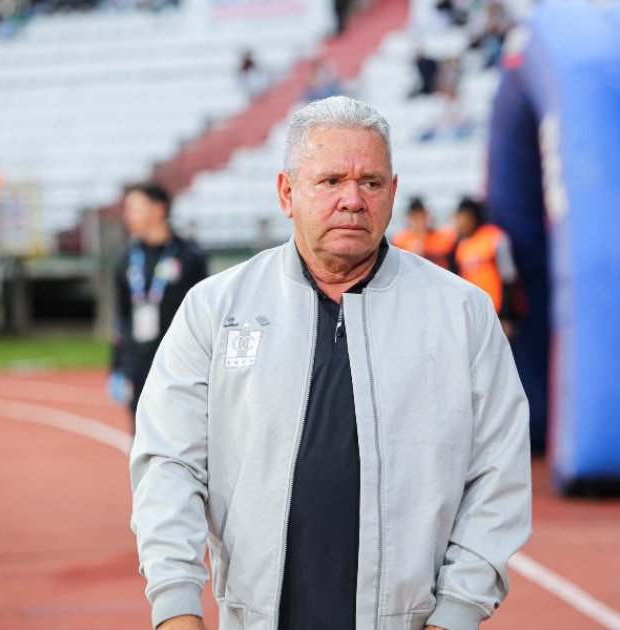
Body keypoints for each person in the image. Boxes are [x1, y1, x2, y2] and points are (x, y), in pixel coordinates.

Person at [130, 96, 531, 630]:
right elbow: (169, 463)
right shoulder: (215, 308)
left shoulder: (463, 313)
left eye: (370, 182)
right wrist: (176, 604)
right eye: (330, 180)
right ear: (286, 192)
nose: (353, 200)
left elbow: (499, 472)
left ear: (392, 191)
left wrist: (457, 611)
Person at [109, 182, 207, 431]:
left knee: (185, 431)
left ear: (159, 209)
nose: (128, 215)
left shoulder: (190, 255)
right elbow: (121, 315)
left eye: (135, 207)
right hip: (139, 361)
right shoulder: (126, 259)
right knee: (143, 433)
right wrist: (118, 366)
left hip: (181, 359)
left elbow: (205, 311)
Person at [451, 196, 520, 337]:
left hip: (498, 313)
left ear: (471, 218)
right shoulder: (461, 245)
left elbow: (508, 277)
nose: (458, 224)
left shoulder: (494, 238)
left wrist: (507, 316)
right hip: (475, 317)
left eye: (462, 218)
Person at [391, 196, 455, 269]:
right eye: (414, 215)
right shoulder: (400, 239)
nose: (419, 219)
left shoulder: (442, 237)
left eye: (421, 214)